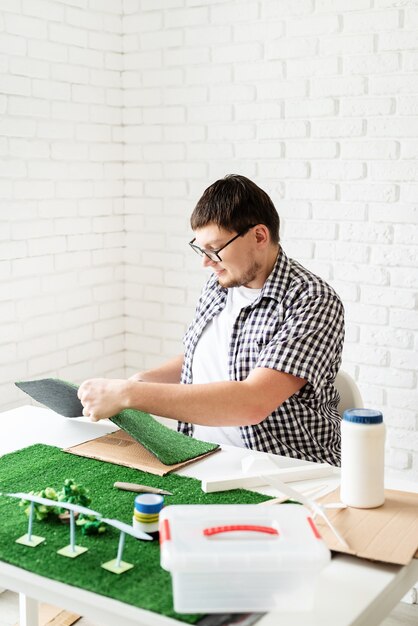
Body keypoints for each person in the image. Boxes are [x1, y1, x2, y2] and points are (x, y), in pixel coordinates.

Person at [78, 174, 345, 465]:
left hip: (287, 469)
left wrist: (130, 393)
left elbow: (252, 402)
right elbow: (204, 355)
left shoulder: (312, 300)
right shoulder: (220, 284)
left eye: (215, 249)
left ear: (259, 236)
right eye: (200, 248)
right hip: (205, 456)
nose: (206, 261)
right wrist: (142, 380)